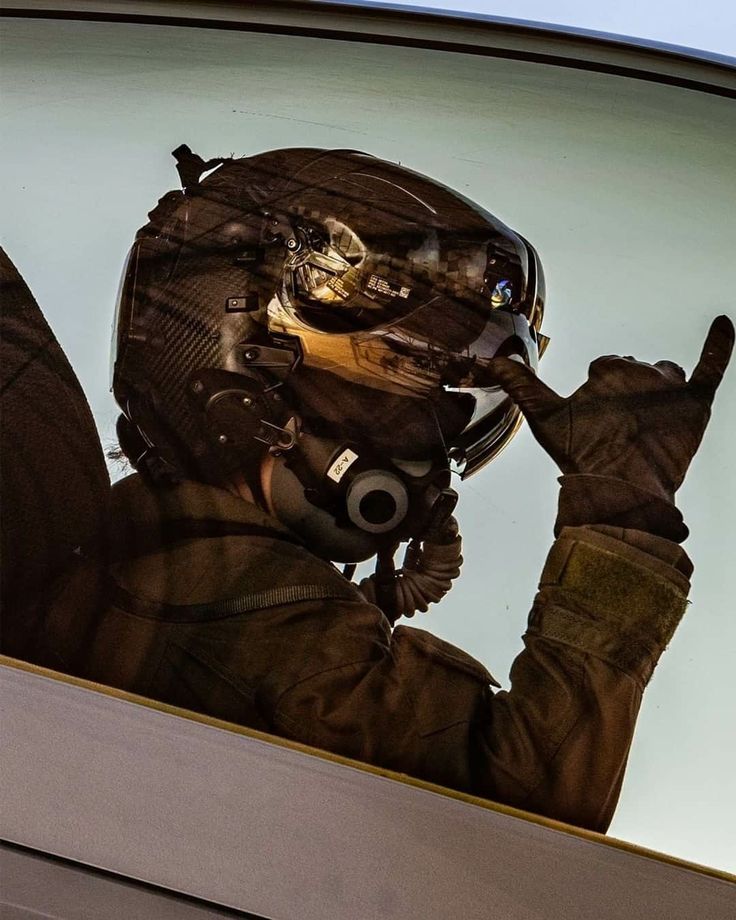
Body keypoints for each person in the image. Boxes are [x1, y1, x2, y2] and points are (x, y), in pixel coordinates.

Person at [28, 146, 733, 833]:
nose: (427, 456)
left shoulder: (158, 570)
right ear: (242, 394)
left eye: (448, 416)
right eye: (397, 408)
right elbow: (531, 816)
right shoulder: (235, 614)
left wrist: (383, 600)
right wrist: (621, 511)